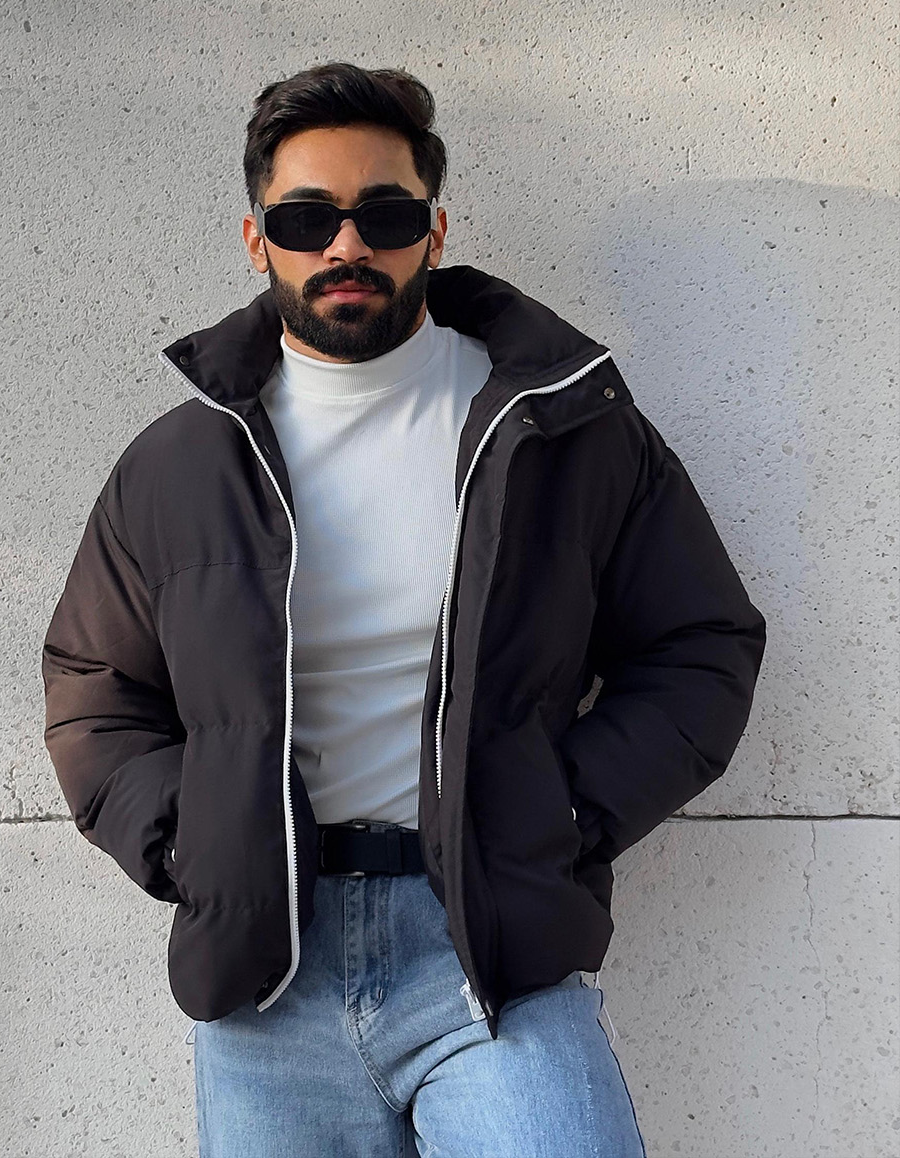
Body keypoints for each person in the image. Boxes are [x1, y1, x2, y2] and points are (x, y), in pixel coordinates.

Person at [41, 62, 767, 1156]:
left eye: (383, 214)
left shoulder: (560, 429)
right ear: (257, 240)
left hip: (491, 956)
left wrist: (563, 815)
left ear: (434, 228)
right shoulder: (179, 465)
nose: (347, 245)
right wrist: (195, 847)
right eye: (306, 218)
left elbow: (700, 646)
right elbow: (95, 691)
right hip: (268, 976)